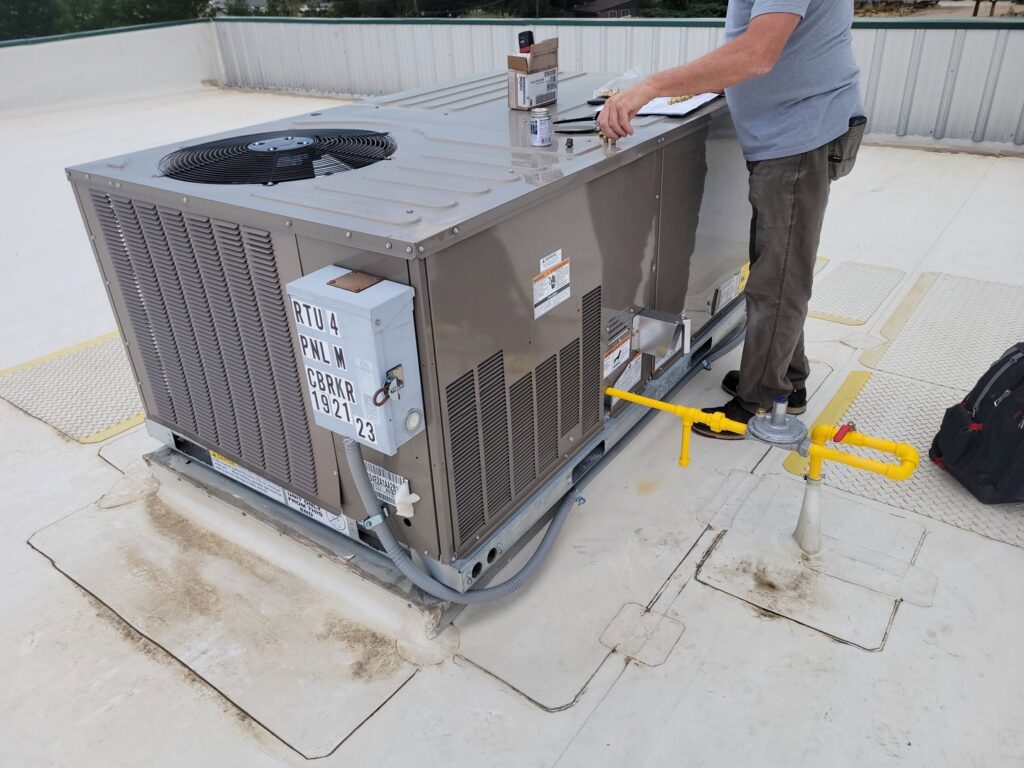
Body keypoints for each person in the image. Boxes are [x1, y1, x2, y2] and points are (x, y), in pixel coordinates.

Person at [598, 0, 865, 440]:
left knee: (777, 279)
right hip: (790, 134)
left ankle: (759, 403)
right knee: (778, 266)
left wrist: (650, 87)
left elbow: (755, 54)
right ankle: (788, 381)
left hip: (799, 137)